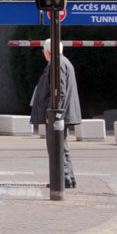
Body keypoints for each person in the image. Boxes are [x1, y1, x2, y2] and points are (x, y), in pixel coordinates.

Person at [30, 39, 82, 189]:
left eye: (43, 51)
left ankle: (62, 178)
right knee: (61, 145)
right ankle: (68, 177)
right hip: (62, 112)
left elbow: (60, 91)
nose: (42, 53)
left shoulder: (57, 64)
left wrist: (52, 113)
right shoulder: (64, 62)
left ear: (48, 51)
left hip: (57, 113)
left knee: (55, 146)